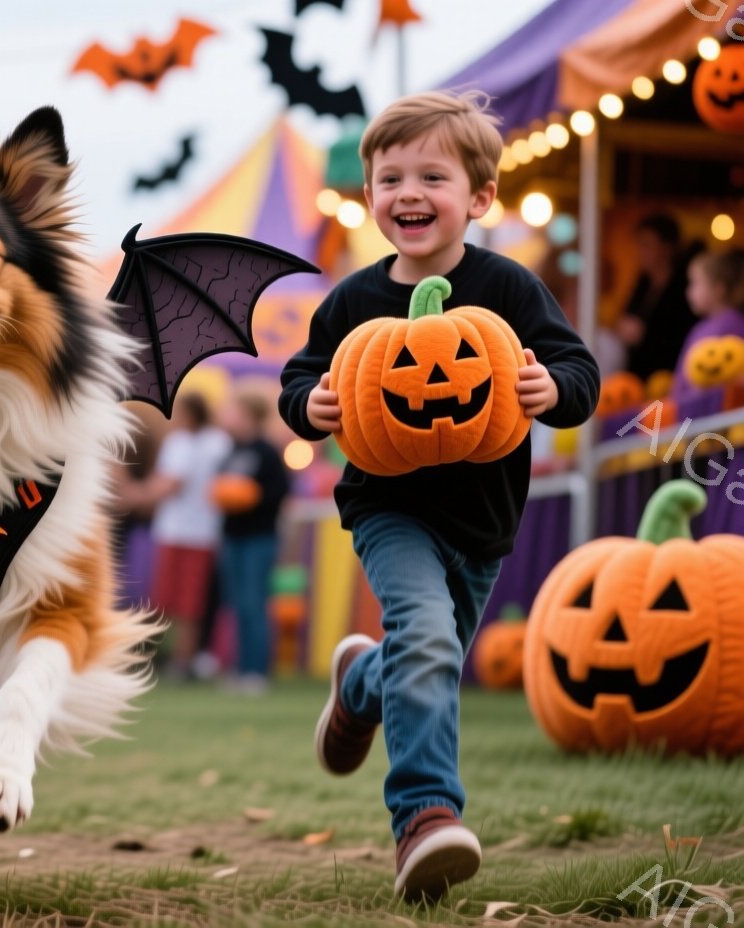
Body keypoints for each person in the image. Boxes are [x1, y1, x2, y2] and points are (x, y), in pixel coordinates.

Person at [279, 90, 599, 901]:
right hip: (390, 509)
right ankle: (425, 815)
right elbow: (302, 376)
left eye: (432, 175)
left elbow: (580, 374)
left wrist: (546, 386)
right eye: (390, 178)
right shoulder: (353, 302)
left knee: (428, 654)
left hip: (485, 519)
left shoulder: (510, 289)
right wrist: (307, 404)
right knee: (427, 637)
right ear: (371, 197)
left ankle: (360, 686)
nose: (409, 193)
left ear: (480, 197)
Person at [144, 391, 230, 680]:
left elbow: (170, 484)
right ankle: (182, 659)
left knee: (168, 600)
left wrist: (132, 496)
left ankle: (159, 658)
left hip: (177, 531)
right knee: (189, 603)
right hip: (205, 533)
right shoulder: (220, 442)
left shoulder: (179, 443)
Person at [214, 392, 289, 695]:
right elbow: (219, 485)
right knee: (237, 605)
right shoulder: (231, 450)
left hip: (259, 537)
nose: (229, 416)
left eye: (235, 410)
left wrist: (248, 496)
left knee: (254, 603)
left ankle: (257, 671)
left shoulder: (267, 452)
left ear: (250, 415)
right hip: (232, 536)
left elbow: (279, 492)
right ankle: (241, 668)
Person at [615, 213, 698, 380]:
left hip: (668, 377)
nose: (640, 251)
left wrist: (645, 334)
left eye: (647, 245)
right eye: (639, 244)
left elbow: (682, 335)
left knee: (658, 407)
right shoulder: (642, 284)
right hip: (637, 375)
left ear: (667, 248)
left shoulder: (685, 289)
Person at [670, 249, 744, 406]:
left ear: (718, 289)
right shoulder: (699, 329)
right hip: (689, 408)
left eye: (695, 283)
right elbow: (682, 378)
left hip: (713, 410)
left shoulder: (733, 324)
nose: (688, 291)